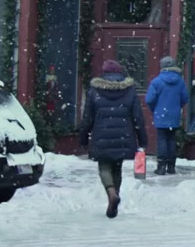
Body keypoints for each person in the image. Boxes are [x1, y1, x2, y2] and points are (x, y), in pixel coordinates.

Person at [79, 60, 147, 219]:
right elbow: (138, 118)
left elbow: (87, 118)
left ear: (104, 72)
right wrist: (142, 140)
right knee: (117, 167)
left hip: (101, 135)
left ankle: (111, 192)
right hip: (124, 135)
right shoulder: (129, 90)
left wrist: (83, 138)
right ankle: (115, 194)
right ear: (120, 72)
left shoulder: (95, 90)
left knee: (104, 166)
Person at [145, 56, 189, 175]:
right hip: (174, 114)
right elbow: (185, 97)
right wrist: (177, 106)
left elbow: (149, 99)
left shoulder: (156, 81)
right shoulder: (180, 81)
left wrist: (155, 109)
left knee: (162, 140)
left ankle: (161, 166)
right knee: (171, 139)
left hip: (161, 113)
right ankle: (171, 166)